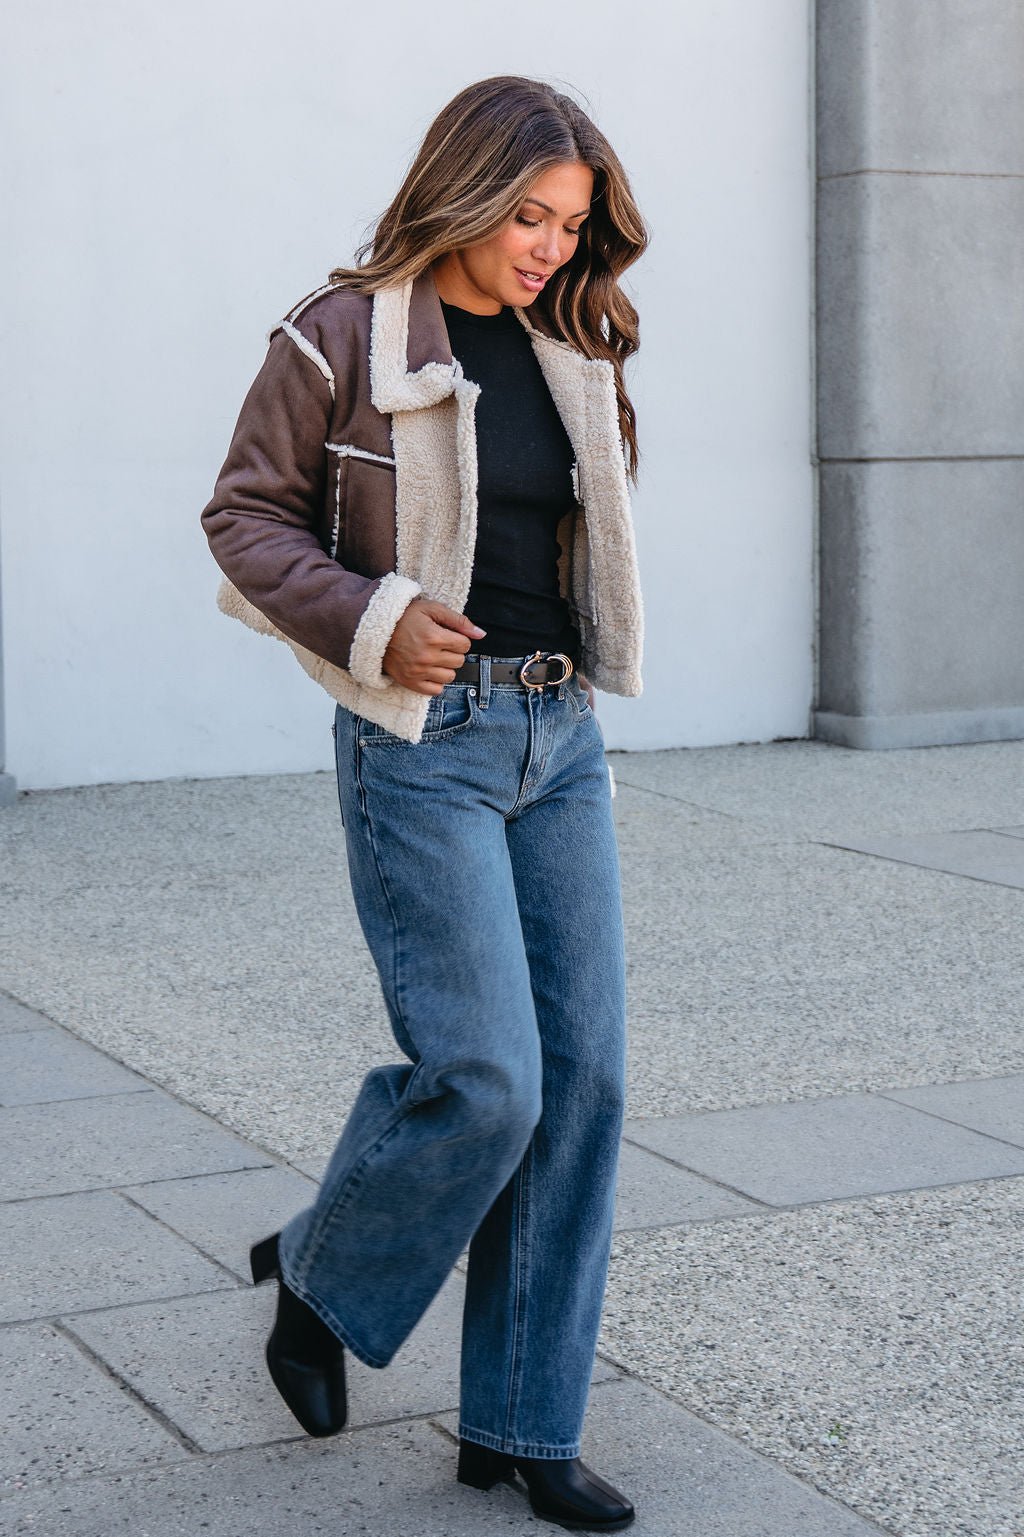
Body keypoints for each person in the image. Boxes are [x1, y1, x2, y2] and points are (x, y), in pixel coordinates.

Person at [201, 74, 647, 1533]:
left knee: (581, 1086)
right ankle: (326, 1273)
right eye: (529, 215)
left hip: (556, 730)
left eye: (570, 224)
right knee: (491, 1074)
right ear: (464, 188)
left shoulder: (567, 332)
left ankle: (521, 1425)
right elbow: (244, 517)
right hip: (424, 740)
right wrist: (373, 614)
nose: (548, 246)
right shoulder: (338, 336)